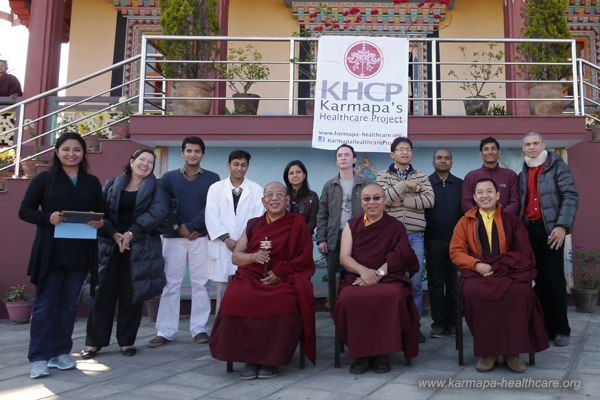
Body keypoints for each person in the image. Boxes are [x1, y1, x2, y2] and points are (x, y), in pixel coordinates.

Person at [18, 132, 104, 379]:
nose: (71, 154)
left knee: (68, 305)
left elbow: (101, 213)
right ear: (57, 151)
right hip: (51, 252)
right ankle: (40, 357)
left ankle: (61, 352)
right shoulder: (44, 179)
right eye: (66, 149)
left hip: (79, 251)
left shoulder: (92, 182)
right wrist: (48, 218)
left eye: (77, 149)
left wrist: (100, 224)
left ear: (83, 153)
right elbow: (24, 211)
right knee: (45, 305)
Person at [209, 182, 316, 380]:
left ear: (287, 200)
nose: (274, 198)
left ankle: (271, 359)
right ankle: (249, 358)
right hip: (251, 276)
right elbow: (236, 257)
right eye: (269, 195)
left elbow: (304, 257)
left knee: (284, 302)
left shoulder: (297, 223)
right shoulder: (253, 224)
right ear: (263, 201)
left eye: (279, 195)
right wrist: (253, 257)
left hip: (283, 279)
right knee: (235, 297)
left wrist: (280, 272)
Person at [450, 178, 549, 373]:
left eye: (489, 191)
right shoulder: (465, 221)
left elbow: (523, 252)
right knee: (473, 292)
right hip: (477, 274)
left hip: (507, 272)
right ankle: (488, 353)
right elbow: (456, 252)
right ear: (474, 197)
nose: (484, 195)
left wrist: (500, 266)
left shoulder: (512, 221)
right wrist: (476, 265)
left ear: (497, 195)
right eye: (480, 192)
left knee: (521, 292)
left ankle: (512, 353)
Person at [81, 149, 169, 359]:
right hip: (109, 246)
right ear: (131, 161)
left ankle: (127, 341)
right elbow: (99, 211)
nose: (145, 164)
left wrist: (131, 233)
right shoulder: (112, 183)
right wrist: (114, 234)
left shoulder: (157, 187)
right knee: (102, 293)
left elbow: (157, 213)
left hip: (139, 247)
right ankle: (94, 343)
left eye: (150, 162)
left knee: (132, 295)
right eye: (141, 160)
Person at [334, 183, 420, 374]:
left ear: (384, 200)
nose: (371, 202)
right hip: (357, 277)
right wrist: (364, 272)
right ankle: (361, 354)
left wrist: (378, 274)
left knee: (392, 295)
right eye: (367, 199)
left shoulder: (396, 226)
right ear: (361, 202)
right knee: (348, 298)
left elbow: (401, 254)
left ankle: (383, 352)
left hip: (388, 277)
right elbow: (344, 257)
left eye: (376, 198)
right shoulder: (352, 225)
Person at [147, 137, 220, 348]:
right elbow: (164, 206)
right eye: (189, 151)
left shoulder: (212, 178)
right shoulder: (168, 178)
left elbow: (212, 207)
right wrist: (180, 226)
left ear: (202, 154)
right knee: (170, 285)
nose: (193, 154)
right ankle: (165, 331)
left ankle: (199, 328)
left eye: (197, 151)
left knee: (201, 284)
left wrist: (193, 227)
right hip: (174, 238)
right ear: (183, 153)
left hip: (200, 237)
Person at [518, 132, 579, 347]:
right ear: (523, 148)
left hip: (551, 231)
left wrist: (562, 226)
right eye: (527, 144)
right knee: (538, 281)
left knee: (554, 281)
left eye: (535, 143)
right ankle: (544, 327)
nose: (532, 147)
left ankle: (561, 329)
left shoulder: (557, 166)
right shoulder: (523, 171)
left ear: (543, 145)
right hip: (529, 231)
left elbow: (570, 196)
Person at [376, 137, 434, 342]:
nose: (405, 152)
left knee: (415, 283)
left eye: (408, 149)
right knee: (390, 283)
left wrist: (404, 200)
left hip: (415, 237)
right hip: (390, 239)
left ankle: (413, 327)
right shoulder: (383, 175)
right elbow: (382, 200)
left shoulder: (421, 175)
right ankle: (392, 327)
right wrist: (403, 185)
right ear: (392, 154)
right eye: (401, 149)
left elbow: (429, 200)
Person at [206, 150, 264, 315]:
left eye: (243, 165)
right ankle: (221, 329)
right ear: (228, 165)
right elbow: (211, 216)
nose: (240, 168)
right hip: (223, 246)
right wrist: (227, 239)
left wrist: (242, 243)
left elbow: (258, 219)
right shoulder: (215, 188)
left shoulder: (256, 189)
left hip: (246, 247)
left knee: (245, 288)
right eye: (236, 164)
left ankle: (244, 329)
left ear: (248, 167)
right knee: (223, 291)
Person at [316, 144, 366, 312]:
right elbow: (322, 214)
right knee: (333, 278)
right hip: (334, 237)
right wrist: (321, 239)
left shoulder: (364, 183)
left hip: (359, 237)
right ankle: (335, 314)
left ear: (354, 159)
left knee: (356, 275)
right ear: (337, 160)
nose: (343, 158)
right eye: (340, 155)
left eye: (347, 155)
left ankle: (355, 311)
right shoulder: (329, 185)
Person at [424, 149, 463, 338]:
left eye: (447, 158)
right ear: (433, 162)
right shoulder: (425, 185)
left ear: (452, 163)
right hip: (432, 241)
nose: (443, 161)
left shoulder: (461, 185)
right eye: (439, 158)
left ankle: (454, 323)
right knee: (436, 284)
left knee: (454, 284)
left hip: (457, 243)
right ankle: (438, 323)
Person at [461, 136, 519, 215]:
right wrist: (481, 217)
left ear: (499, 153)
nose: (490, 152)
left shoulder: (510, 175)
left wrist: (502, 217)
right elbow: (466, 202)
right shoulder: (471, 176)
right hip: (478, 223)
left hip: (504, 223)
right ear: (481, 154)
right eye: (486, 149)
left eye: (493, 148)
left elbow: (515, 202)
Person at [283, 160, 319, 234]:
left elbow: (313, 221)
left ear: (304, 175)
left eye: (298, 172)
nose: (295, 175)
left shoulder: (312, 196)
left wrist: (299, 234)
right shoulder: (282, 195)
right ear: (287, 177)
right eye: (291, 173)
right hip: (284, 237)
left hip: (304, 237)